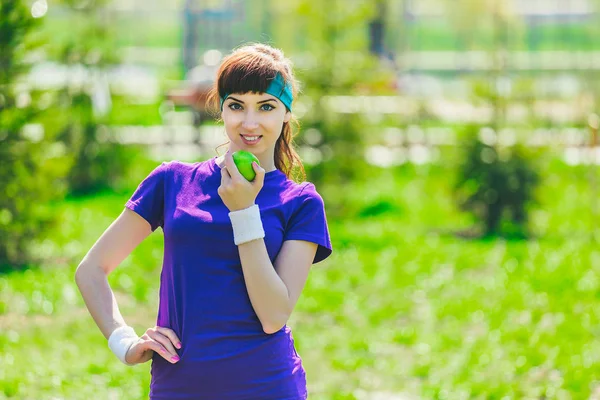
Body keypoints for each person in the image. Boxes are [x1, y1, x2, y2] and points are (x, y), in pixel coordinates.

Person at [74, 43, 333, 399]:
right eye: (237, 105)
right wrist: (124, 342)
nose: (250, 122)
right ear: (221, 109)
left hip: (267, 386)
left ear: (286, 113)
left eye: (267, 106)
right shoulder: (172, 182)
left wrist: (244, 212)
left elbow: (273, 315)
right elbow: (91, 270)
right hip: (179, 386)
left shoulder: (301, 202)